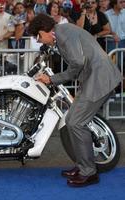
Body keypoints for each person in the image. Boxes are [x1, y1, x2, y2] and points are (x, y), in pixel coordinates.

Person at [28, 13, 122, 187]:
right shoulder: (63, 32)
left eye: (39, 36)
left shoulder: (63, 33)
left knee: (76, 122)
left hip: (101, 80)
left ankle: (89, 172)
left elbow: (77, 63)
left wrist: (52, 79)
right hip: (96, 79)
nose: (39, 40)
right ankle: (83, 166)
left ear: (46, 30)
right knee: (72, 120)